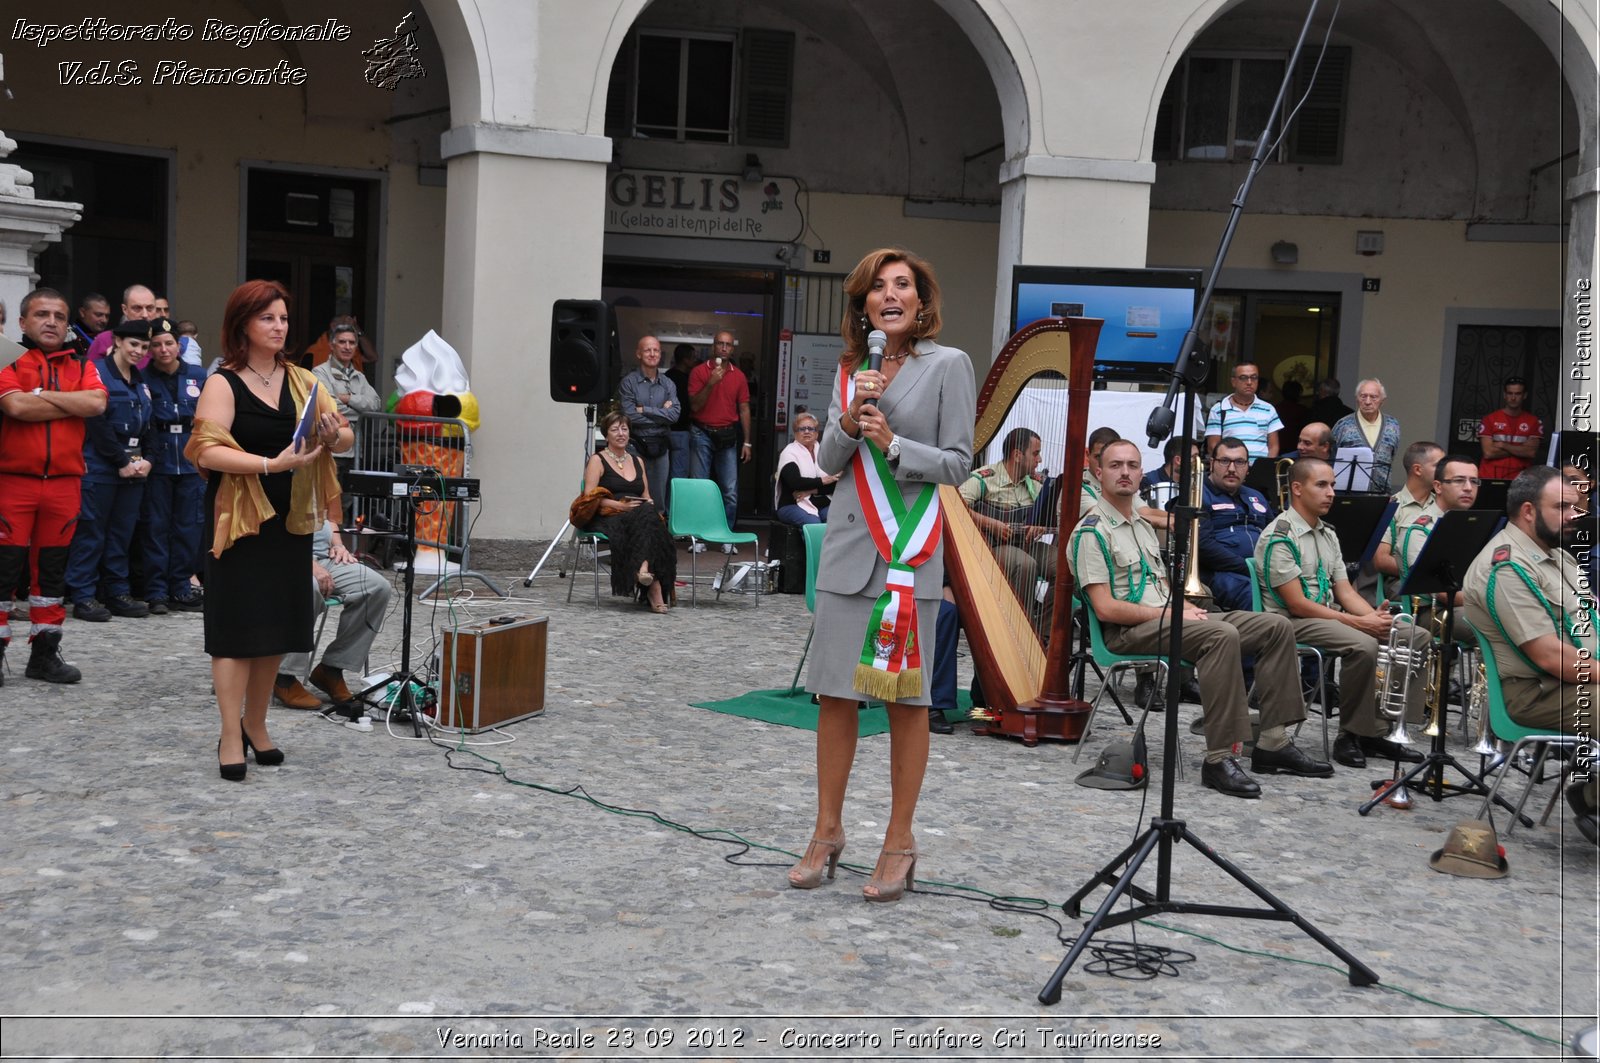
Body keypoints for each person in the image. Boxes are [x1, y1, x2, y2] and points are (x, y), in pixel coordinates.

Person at [789, 247, 975, 902]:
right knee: (835, 693)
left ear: (921, 303)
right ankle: (827, 830)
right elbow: (831, 460)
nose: (890, 295)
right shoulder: (852, 369)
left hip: (909, 553)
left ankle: (899, 841)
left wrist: (896, 445)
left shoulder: (948, 365)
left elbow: (957, 462)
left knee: (904, 699)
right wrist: (846, 420)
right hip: (848, 546)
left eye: (903, 285)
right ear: (863, 304)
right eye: (878, 287)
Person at [1069, 440, 1332, 798]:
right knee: (1220, 635)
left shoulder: (1142, 524)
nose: (1126, 472)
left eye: (1133, 465)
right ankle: (1218, 757)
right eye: (1116, 465)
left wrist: (1184, 609)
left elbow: (1159, 587)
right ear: (1099, 473)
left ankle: (1273, 741)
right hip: (1126, 632)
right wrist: (1177, 613)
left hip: (1166, 618)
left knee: (1275, 625)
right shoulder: (1092, 530)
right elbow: (1105, 609)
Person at [187, 280, 349, 782]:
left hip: (291, 519)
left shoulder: (304, 380)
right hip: (237, 519)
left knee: (275, 627)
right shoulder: (223, 381)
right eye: (267, 319)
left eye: (282, 318)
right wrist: (267, 464)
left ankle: (257, 725)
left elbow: (342, 437)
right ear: (243, 325)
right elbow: (205, 450)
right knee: (235, 633)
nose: (278, 326)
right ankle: (230, 733)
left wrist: (330, 434)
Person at [1254, 458, 1432, 770]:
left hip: (1327, 617)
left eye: (1333, 485)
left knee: (1413, 635)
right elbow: (1297, 605)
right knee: (1363, 645)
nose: (1331, 493)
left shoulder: (1328, 534)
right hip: (1291, 623)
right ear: (1297, 489)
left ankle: (1380, 730)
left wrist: (1374, 618)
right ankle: (1350, 734)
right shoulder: (1279, 535)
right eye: (1321, 485)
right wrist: (1359, 623)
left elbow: (1345, 590)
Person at [1464, 466, 1598, 842]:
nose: (1575, 516)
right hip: (1534, 692)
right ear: (1528, 511)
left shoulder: (1560, 558)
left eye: (1574, 507)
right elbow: (1549, 657)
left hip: (1570, 682)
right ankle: (1592, 799)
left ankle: (1591, 795)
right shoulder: (1507, 568)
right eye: (1562, 507)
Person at [0, 288, 108, 684]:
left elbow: (96, 404)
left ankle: (44, 655)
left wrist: (40, 396)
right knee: (4, 571)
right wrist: (68, 400)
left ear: (67, 324)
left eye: (59, 316)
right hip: (13, 481)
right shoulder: (7, 359)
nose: (51, 322)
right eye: (41, 314)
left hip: (64, 484)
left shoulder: (82, 364)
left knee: (52, 575)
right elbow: (14, 406)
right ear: (23, 323)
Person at [65, 319, 154, 621]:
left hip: (134, 468)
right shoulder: (96, 373)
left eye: (143, 347)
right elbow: (96, 423)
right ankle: (84, 595)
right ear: (117, 341)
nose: (138, 351)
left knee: (122, 534)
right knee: (92, 532)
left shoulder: (140, 380)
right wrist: (120, 462)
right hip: (102, 467)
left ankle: (116, 592)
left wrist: (148, 460)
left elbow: (149, 427)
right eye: (133, 344)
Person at [277, 519, 394, 707]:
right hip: (282, 557)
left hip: (324, 558)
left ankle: (331, 669)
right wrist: (309, 565)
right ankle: (283, 676)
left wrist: (338, 544)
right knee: (307, 588)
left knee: (377, 587)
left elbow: (329, 517)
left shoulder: (321, 488)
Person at [140, 318, 207, 614]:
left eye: (168, 343)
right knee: (156, 528)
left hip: (191, 462)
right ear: (149, 349)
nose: (163, 349)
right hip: (159, 461)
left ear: (179, 345)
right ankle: (156, 591)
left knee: (188, 527)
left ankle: (180, 588)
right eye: (156, 345)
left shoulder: (198, 375)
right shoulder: (142, 377)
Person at [579, 411, 676, 613]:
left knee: (649, 513)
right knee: (649, 520)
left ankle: (644, 571)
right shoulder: (598, 460)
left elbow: (646, 494)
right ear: (606, 435)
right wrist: (620, 506)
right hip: (609, 514)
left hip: (638, 514)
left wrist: (645, 501)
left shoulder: (637, 461)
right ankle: (653, 586)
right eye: (615, 430)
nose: (621, 433)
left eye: (624, 429)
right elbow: (589, 497)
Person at [958, 426, 1054, 607]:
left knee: (1065, 566)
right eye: (1035, 454)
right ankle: (1021, 626)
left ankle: (1047, 630)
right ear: (1017, 455)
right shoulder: (984, 479)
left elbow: (1054, 516)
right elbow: (954, 507)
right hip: (991, 547)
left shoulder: (1036, 484)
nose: (1039, 460)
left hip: (1026, 545)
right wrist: (989, 523)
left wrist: (1042, 525)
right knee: (1026, 565)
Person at [1197, 436, 1277, 612]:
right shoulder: (1197, 494)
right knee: (1251, 593)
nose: (1232, 468)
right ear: (1212, 463)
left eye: (1240, 462)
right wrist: (1249, 568)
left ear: (1248, 467)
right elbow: (1204, 546)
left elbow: (1275, 536)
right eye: (1225, 461)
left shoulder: (1257, 496)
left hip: (1261, 572)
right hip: (1219, 574)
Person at [1398, 454, 1479, 616]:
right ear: (1438, 487)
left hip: (1468, 604)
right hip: (1431, 610)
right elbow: (1441, 593)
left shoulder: (1476, 525)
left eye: (1474, 481)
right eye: (1459, 480)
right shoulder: (1419, 530)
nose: (1468, 488)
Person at [687, 330, 752, 528]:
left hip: (728, 434)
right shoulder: (698, 372)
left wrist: (747, 442)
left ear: (732, 349)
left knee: (730, 490)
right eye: (720, 344)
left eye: (728, 345)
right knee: (700, 488)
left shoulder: (739, 376)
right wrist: (710, 383)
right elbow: (695, 406)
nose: (724, 348)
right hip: (701, 432)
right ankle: (699, 536)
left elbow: (744, 408)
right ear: (713, 346)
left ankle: (726, 534)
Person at [618, 334, 677, 510]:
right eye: (647, 350)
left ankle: (656, 534)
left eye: (656, 350)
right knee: (634, 496)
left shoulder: (668, 384)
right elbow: (629, 416)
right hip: (635, 447)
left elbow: (674, 416)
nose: (652, 354)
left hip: (661, 447)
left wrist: (644, 409)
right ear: (638, 354)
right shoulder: (629, 383)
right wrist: (662, 414)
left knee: (658, 499)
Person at [1373, 440, 1443, 586]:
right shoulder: (1392, 507)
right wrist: (1421, 574)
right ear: (1417, 470)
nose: (1445, 470)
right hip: (1402, 583)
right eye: (1439, 465)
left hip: (1441, 581)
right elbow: (1381, 560)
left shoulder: (1442, 503)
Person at [1331, 378, 1402, 493]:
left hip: (1382, 495)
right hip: (1348, 496)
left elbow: (1391, 455)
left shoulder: (1392, 425)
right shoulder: (1343, 425)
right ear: (1357, 399)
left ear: (1382, 400)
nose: (1368, 401)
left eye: (1373, 397)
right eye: (1363, 396)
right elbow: (1332, 458)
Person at [1204, 362, 1282, 461]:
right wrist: (1228, 467)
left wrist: (1265, 468)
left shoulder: (1269, 409)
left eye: (1254, 377)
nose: (1249, 382)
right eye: (1243, 378)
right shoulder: (1218, 409)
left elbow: (1273, 447)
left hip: (1259, 473)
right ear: (1233, 382)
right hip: (1230, 471)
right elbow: (1213, 446)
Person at [774, 410, 837, 525]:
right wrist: (824, 480)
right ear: (795, 433)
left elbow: (835, 485)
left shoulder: (823, 452)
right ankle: (813, 544)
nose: (807, 431)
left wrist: (811, 490)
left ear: (817, 433)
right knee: (813, 523)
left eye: (811, 428)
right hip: (792, 504)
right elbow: (795, 483)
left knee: (836, 519)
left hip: (820, 502)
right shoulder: (789, 453)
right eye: (802, 429)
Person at [1476, 377, 1543, 481]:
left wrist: (1503, 445)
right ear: (1504, 395)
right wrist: (1520, 449)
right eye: (1510, 393)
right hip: (1490, 475)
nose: (1513, 397)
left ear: (1524, 395)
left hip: (1520, 479)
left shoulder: (1533, 422)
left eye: (1517, 394)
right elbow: (1488, 453)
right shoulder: (1489, 419)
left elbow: (1530, 452)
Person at [87, 284, 158, 363]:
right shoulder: (104, 340)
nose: (145, 315)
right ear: (125, 309)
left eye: (150, 308)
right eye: (137, 308)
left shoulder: (163, 341)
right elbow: (91, 372)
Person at [665, 344, 697, 503]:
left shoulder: (666, 377)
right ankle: (674, 512)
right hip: (682, 431)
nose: (696, 360)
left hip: (665, 430)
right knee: (679, 474)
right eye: (693, 357)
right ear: (686, 359)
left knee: (663, 473)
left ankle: (664, 510)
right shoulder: (687, 380)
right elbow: (689, 406)